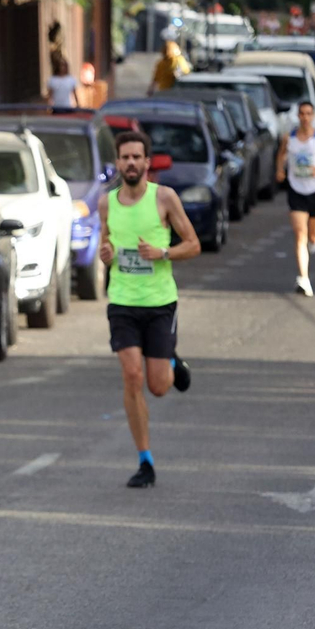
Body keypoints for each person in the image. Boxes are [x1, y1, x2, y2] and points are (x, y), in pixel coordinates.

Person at [97, 130, 200, 489]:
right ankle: (145, 460)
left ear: (146, 162)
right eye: (125, 157)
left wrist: (163, 253)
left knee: (158, 387)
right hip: (122, 302)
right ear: (118, 162)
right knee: (132, 376)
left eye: (136, 157)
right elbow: (106, 244)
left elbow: (193, 244)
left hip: (159, 304)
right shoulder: (107, 203)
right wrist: (106, 253)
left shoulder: (164, 198)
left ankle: (171, 361)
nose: (130, 163)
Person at [275, 101, 315, 298]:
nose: (305, 117)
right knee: (300, 234)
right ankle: (303, 278)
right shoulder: (289, 138)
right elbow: (281, 156)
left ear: (313, 116)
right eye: (302, 113)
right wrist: (280, 170)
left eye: (308, 113)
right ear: (298, 116)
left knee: (314, 236)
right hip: (296, 190)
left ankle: (313, 243)